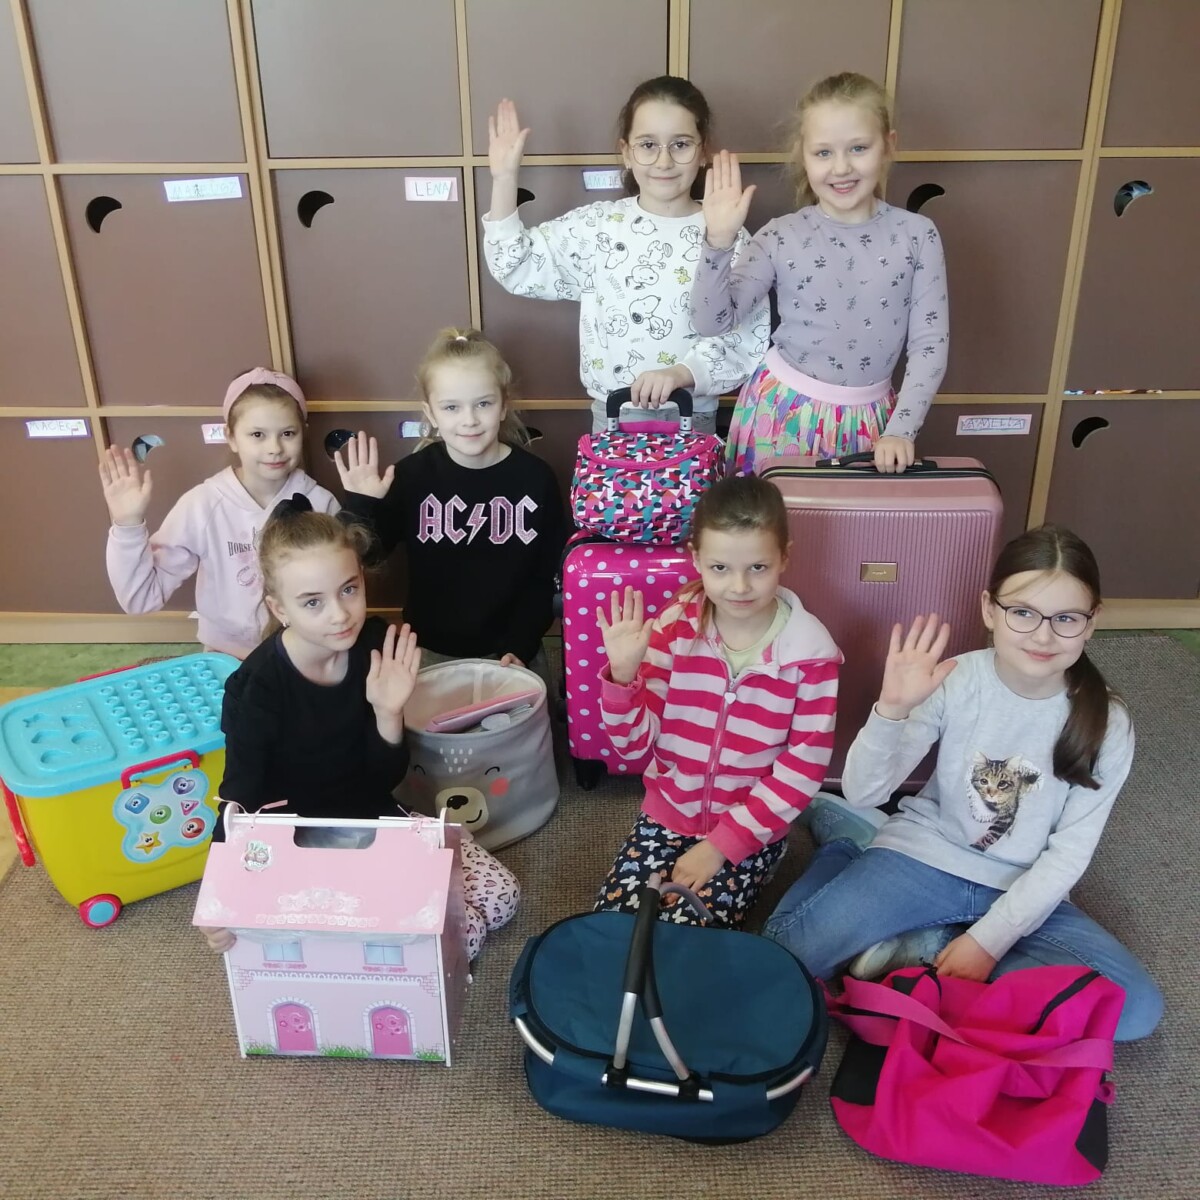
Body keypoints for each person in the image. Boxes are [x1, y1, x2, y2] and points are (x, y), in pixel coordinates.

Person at [763, 525, 1163, 1042]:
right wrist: (891, 709)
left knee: (1134, 1011)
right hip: (924, 857)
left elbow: (1068, 855)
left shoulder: (1108, 721)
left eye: (1065, 618)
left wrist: (989, 941)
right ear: (989, 610)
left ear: (1092, 621)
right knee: (783, 957)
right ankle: (847, 842)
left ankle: (933, 943)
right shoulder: (956, 679)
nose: (1043, 636)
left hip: (1020, 885)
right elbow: (865, 793)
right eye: (1023, 612)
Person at [199, 497, 519, 961]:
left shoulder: (373, 643)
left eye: (349, 589)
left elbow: (381, 781)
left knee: (502, 900)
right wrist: (219, 894)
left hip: (372, 818)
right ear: (279, 607)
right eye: (313, 602)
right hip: (301, 844)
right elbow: (238, 799)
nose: (339, 614)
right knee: (457, 932)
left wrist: (389, 712)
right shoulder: (256, 689)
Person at [593, 474, 840, 926]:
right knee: (614, 926)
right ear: (696, 559)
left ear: (784, 557)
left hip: (750, 830)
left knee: (692, 935)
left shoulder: (811, 655)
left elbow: (802, 769)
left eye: (758, 567)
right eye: (720, 568)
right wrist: (624, 677)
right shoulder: (674, 628)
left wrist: (722, 846)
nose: (739, 586)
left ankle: (760, 863)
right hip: (668, 812)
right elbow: (632, 747)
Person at [693, 72, 948, 474]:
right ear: (804, 155)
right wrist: (718, 242)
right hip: (778, 416)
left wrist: (902, 429)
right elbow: (712, 322)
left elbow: (929, 344)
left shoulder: (917, 235)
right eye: (823, 152)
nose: (841, 167)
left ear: (888, 146)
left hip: (872, 426)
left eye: (859, 148)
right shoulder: (780, 234)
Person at [482, 77, 769, 434]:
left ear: (703, 151)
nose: (664, 161)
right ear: (626, 152)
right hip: (613, 419)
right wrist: (504, 179)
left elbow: (746, 337)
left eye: (680, 144)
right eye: (648, 145)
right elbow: (514, 264)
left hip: (693, 421)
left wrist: (682, 373)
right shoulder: (598, 226)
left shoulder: (726, 233)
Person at [335, 328, 564, 680]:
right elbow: (365, 557)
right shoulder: (411, 475)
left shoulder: (536, 478)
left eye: (483, 404)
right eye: (452, 407)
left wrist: (521, 642)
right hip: (430, 650)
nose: (469, 419)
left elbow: (547, 575)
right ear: (431, 413)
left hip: (513, 651)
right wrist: (362, 504)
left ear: (504, 405)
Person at [100, 368, 338, 659]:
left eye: (287, 433)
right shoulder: (202, 504)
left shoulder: (321, 503)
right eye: (257, 434)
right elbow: (140, 599)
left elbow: (343, 591)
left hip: (307, 655)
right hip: (227, 656)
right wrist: (127, 525)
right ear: (231, 437)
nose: (274, 448)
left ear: (303, 433)